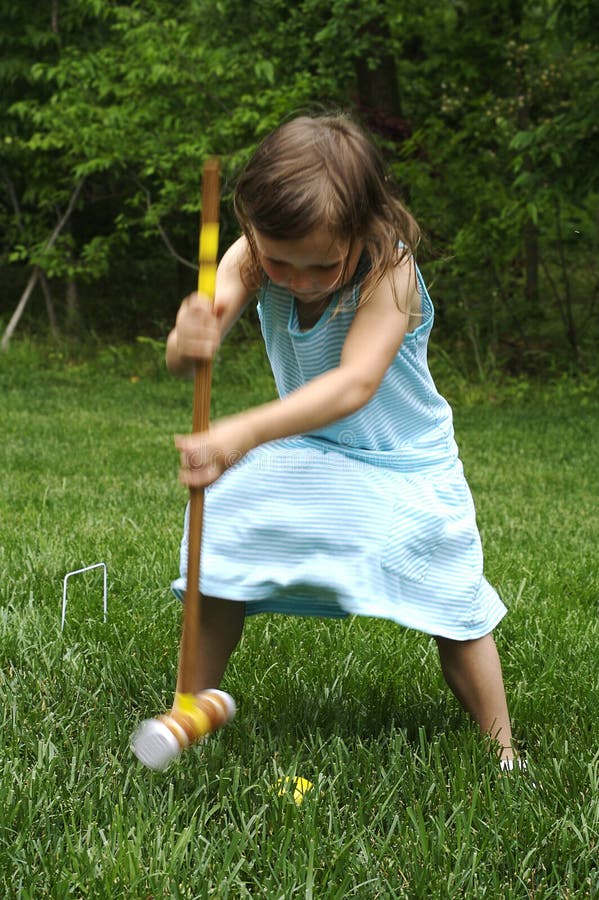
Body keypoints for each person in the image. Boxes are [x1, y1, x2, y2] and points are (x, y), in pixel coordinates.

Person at [166, 113, 518, 767]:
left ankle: (502, 750)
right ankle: (188, 711)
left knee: (453, 602)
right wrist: (186, 340)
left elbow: (354, 383)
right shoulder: (251, 255)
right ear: (251, 229)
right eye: (280, 262)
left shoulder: (391, 271)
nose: (296, 280)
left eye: (322, 266)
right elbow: (187, 356)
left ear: (365, 229)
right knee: (218, 540)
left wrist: (244, 432)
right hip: (313, 448)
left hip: (402, 460)